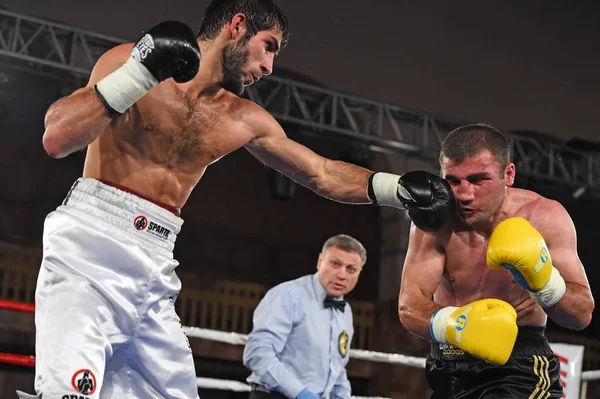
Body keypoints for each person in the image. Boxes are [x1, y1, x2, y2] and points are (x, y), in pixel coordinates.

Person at [18, 1, 456, 398]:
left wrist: (395, 189)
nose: (268, 67)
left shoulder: (244, 118)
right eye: (267, 48)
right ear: (237, 26)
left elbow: (321, 173)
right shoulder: (130, 61)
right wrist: (139, 74)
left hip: (155, 265)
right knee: (69, 393)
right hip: (90, 246)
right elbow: (57, 137)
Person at [398, 123, 595, 398]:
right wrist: (457, 325)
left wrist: (545, 282)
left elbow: (581, 314)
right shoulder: (433, 222)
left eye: (478, 180)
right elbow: (409, 308)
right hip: (447, 366)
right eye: (453, 181)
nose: (464, 195)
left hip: (519, 366)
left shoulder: (545, 218)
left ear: (509, 174)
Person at [243, 234, 366, 399]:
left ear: (359, 273)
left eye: (350, 269)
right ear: (320, 262)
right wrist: (300, 393)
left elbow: (337, 368)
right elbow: (257, 353)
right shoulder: (288, 295)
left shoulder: (345, 312)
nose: (342, 275)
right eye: (335, 264)